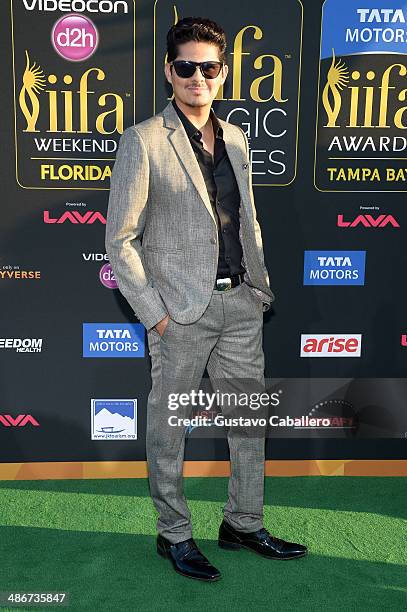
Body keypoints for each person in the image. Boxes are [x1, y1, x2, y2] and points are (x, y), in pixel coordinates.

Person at [105, 16, 307, 582]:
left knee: (249, 424)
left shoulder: (238, 138)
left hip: (240, 305)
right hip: (181, 315)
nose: (198, 77)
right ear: (170, 72)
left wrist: (259, 288)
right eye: (187, 67)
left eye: (209, 68)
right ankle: (173, 535)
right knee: (170, 430)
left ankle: (243, 521)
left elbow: (244, 219)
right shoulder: (143, 140)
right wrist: (159, 319)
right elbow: (120, 240)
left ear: (223, 73)